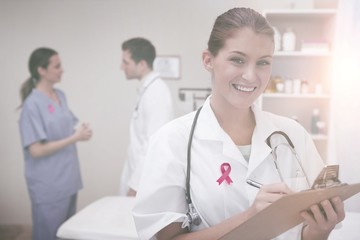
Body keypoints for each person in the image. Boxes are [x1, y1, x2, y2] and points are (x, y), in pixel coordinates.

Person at [132, 8, 345, 240]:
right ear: (208, 60)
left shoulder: (293, 135)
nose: (251, 76)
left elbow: (306, 234)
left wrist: (319, 229)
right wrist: (250, 217)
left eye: (263, 63)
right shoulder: (172, 141)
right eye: (237, 59)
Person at [18, 47, 93, 240]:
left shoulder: (60, 95)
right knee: (48, 235)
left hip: (68, 179)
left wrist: (81, 131)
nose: (62, 70)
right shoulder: (32, 105)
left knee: (65, 234)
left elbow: (67, 125)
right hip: (48, 185)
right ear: (41, 70)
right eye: (57, 66)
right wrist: (74, 138)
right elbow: (35, 150)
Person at [119, 37, 174, 196]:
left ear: (142, 64)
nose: (121, 67)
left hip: (143, 184)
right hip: (136, 174)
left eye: (125, 62)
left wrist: (135, 186)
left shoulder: (157, 93)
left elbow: (153, 143)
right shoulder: (147, 90)